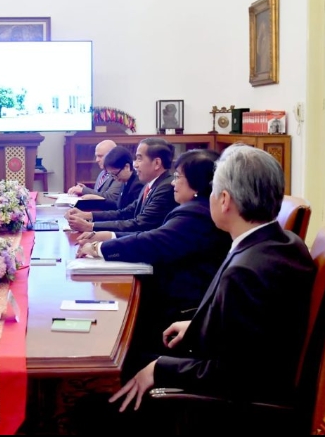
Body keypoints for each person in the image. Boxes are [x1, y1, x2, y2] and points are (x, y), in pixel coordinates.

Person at [108, 145, 316, 422]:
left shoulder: (245, 271)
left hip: (238, 402)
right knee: (134, 348)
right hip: (250, 364)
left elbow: (234, 372)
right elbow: (257, 327)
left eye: (213, 192)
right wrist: (199, 324)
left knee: (119, 368)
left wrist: (159, 369)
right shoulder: (285, 242)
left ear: (225, 200)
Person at [77, 149, 231, 376]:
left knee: (112, 330)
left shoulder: (195, 213)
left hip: (179, 308)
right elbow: (153, 234)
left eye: (179, 177)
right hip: (180, 297)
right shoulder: (194, 209)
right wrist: (106, 238)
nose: (173, 184)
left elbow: (153, 241)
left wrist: (100, 248)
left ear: (196, 184)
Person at [66, 137, 178, 233]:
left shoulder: (165, 188)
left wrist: (90, 227)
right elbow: (125, 213)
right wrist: (88, 216)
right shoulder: (150, 185)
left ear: (157, 163)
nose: (135, 164)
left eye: (139, 158)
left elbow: (140, 224)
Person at [67, 140, 123, 209]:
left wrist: (84, 190)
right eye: (96, 156)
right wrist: (84, 190)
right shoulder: (102, 173)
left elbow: (111, 197)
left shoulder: (118, 173)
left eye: (100, 156)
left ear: (112, 156)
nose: (97, 160)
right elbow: (99, 194)